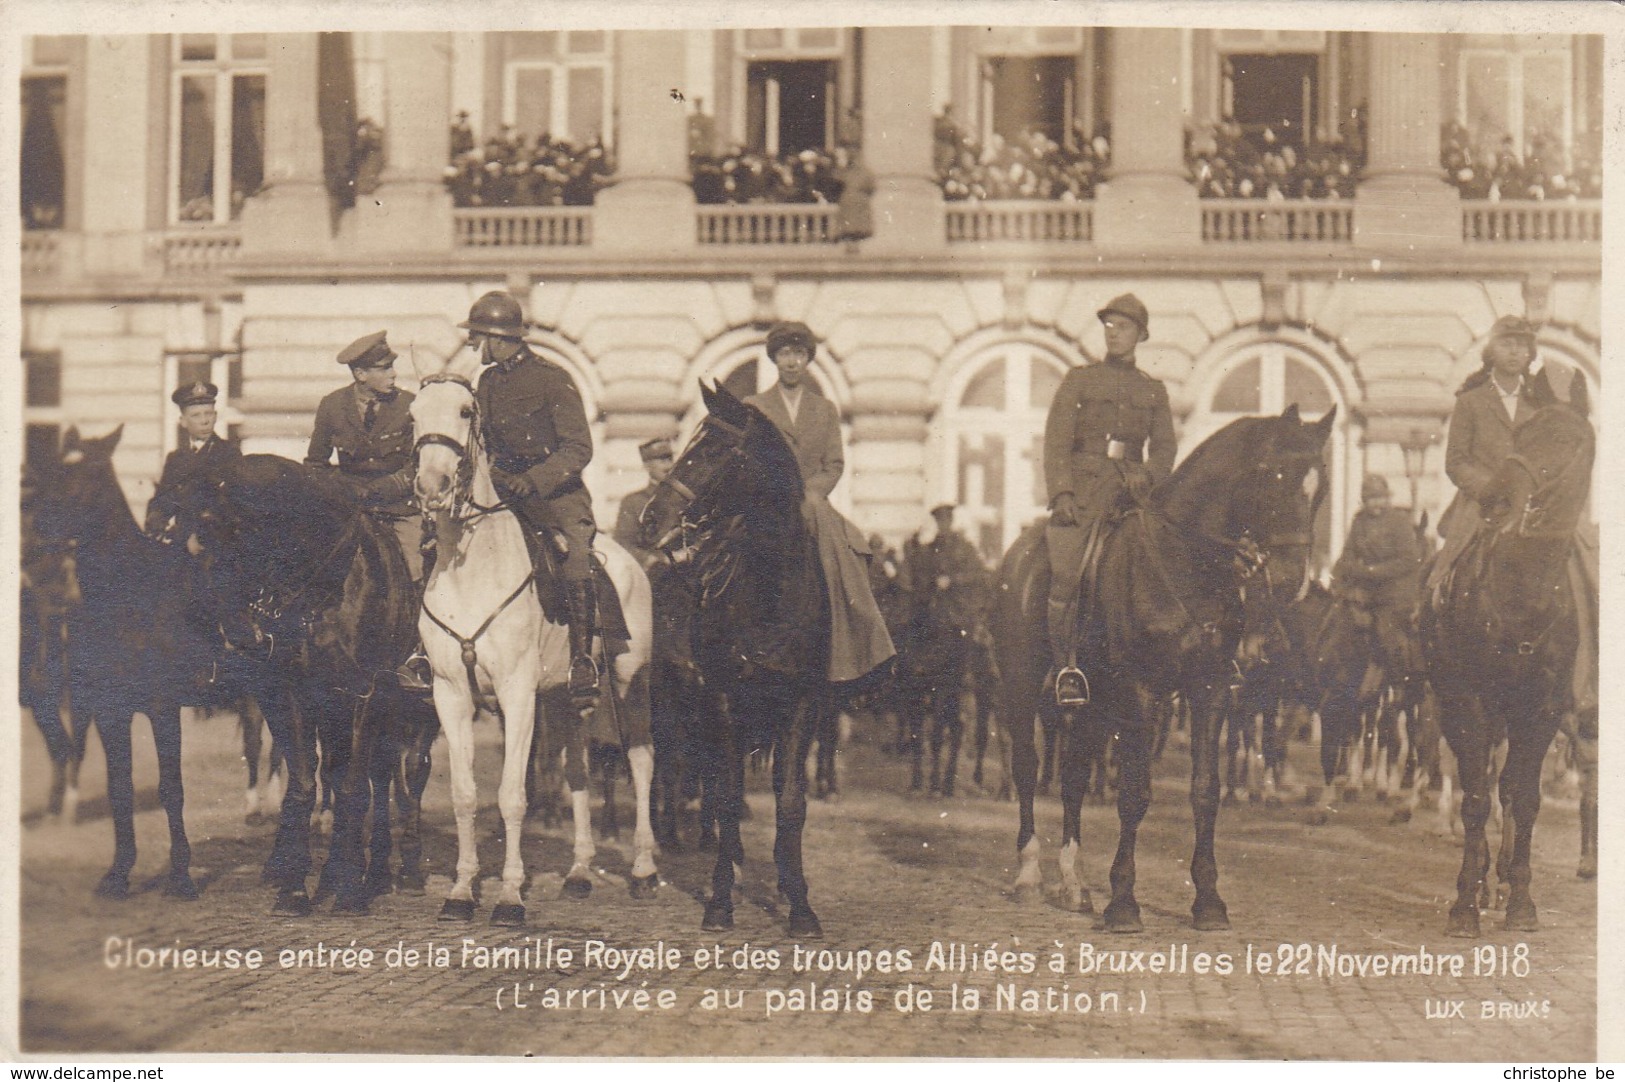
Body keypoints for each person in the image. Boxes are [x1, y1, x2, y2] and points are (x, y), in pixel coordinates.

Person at [462, 290, 600, 702]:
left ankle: (581, 662)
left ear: (495, 338)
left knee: (574, 557)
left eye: (476, 338)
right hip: (505, 494)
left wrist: (536, 479)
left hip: (555, 499)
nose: (473, 345)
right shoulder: (485, 382)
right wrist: (497, 476)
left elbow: (579, 447)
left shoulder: (552, 378)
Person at [1043, 293, 1177, 705]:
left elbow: (1166, 449)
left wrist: (1148, 477)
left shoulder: (1152, 391)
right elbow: (1057, 440)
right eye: (1109, 325)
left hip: (1133, 492)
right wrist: (1063, 492)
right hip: (1086, 491)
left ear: (1140, 335)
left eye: (1124, 327)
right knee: (1068, 569)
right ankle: (1067, 666)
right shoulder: (1080, 380)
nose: (1114, 333)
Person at [744, 321, 895, 684]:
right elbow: (747, 460)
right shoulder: (755, 406)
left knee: (847, 551)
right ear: (774, 359)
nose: (792, 362)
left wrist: (811, 493)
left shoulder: (824, 409)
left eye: (798, 354)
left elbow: (834, 463)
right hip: (769, 502)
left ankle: (859, 641)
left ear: (807, 359)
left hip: (812, 502)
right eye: (784, 354)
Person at [306, 331, 428, 685]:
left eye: (392, 367)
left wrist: (384, 488)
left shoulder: (410, 405)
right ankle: (313, 644)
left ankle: (418, 656)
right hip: (349, 511)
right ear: (360, 375)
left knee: (416, 569)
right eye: (383, 368)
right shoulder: (332, 406)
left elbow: (418, 463)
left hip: (399, 509)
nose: (392, 374)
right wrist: (338, 491)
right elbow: (315, 463)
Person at [1427, 315, 1556, 595]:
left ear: (1529, 354)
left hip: (1531, 503)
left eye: (1521, 346)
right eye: (1506, 344)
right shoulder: (1470, 401)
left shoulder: (1541, 404)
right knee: (1446, 579)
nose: (1513, 352)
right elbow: (1456, 462)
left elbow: (1549, 458)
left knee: (1577, 555)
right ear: (1491, 352)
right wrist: (1491, 490)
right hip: (1482, 504)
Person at [1331, 474, 1424, 686]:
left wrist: (1373, 571)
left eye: (1381, 498)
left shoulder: (1400, 521)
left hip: (1395, 592)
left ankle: (1393, 681)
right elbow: (1348, 553)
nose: (1377, 504)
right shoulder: (1359, 521)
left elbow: (1409, 560)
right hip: (1366, 590)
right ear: (1364, 500)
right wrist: (1339, 575)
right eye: (1371, 498)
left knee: (1385, 633)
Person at [145, 381, 240, 541]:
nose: (204, 421)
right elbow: (162, 501)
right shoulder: (175, 459)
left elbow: (232, 507)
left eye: (208, 413)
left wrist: (200, 536)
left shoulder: (228, 453)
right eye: (196, 415)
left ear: (215, 416)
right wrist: (156, 517)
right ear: (183, 421)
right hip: (181, 543)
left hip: (216, 545)